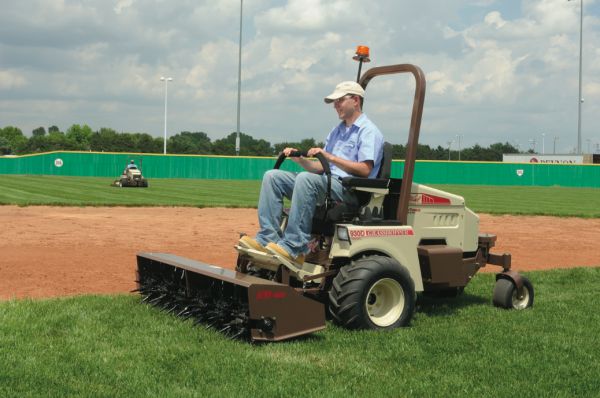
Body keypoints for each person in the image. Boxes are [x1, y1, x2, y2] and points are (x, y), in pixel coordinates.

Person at [239, 81, 384, 265]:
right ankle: (267, 238)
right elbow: (321, 168)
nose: (335, 105)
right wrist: (300, 160)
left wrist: (330, 157)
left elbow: (365, 169)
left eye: (340, 100)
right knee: (272, 177)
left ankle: (294, 246)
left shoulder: (368, 131)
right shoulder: (337, 131)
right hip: (328, 183)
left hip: (351, 191)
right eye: (334, 102)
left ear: (355, 100)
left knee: (306, 180)